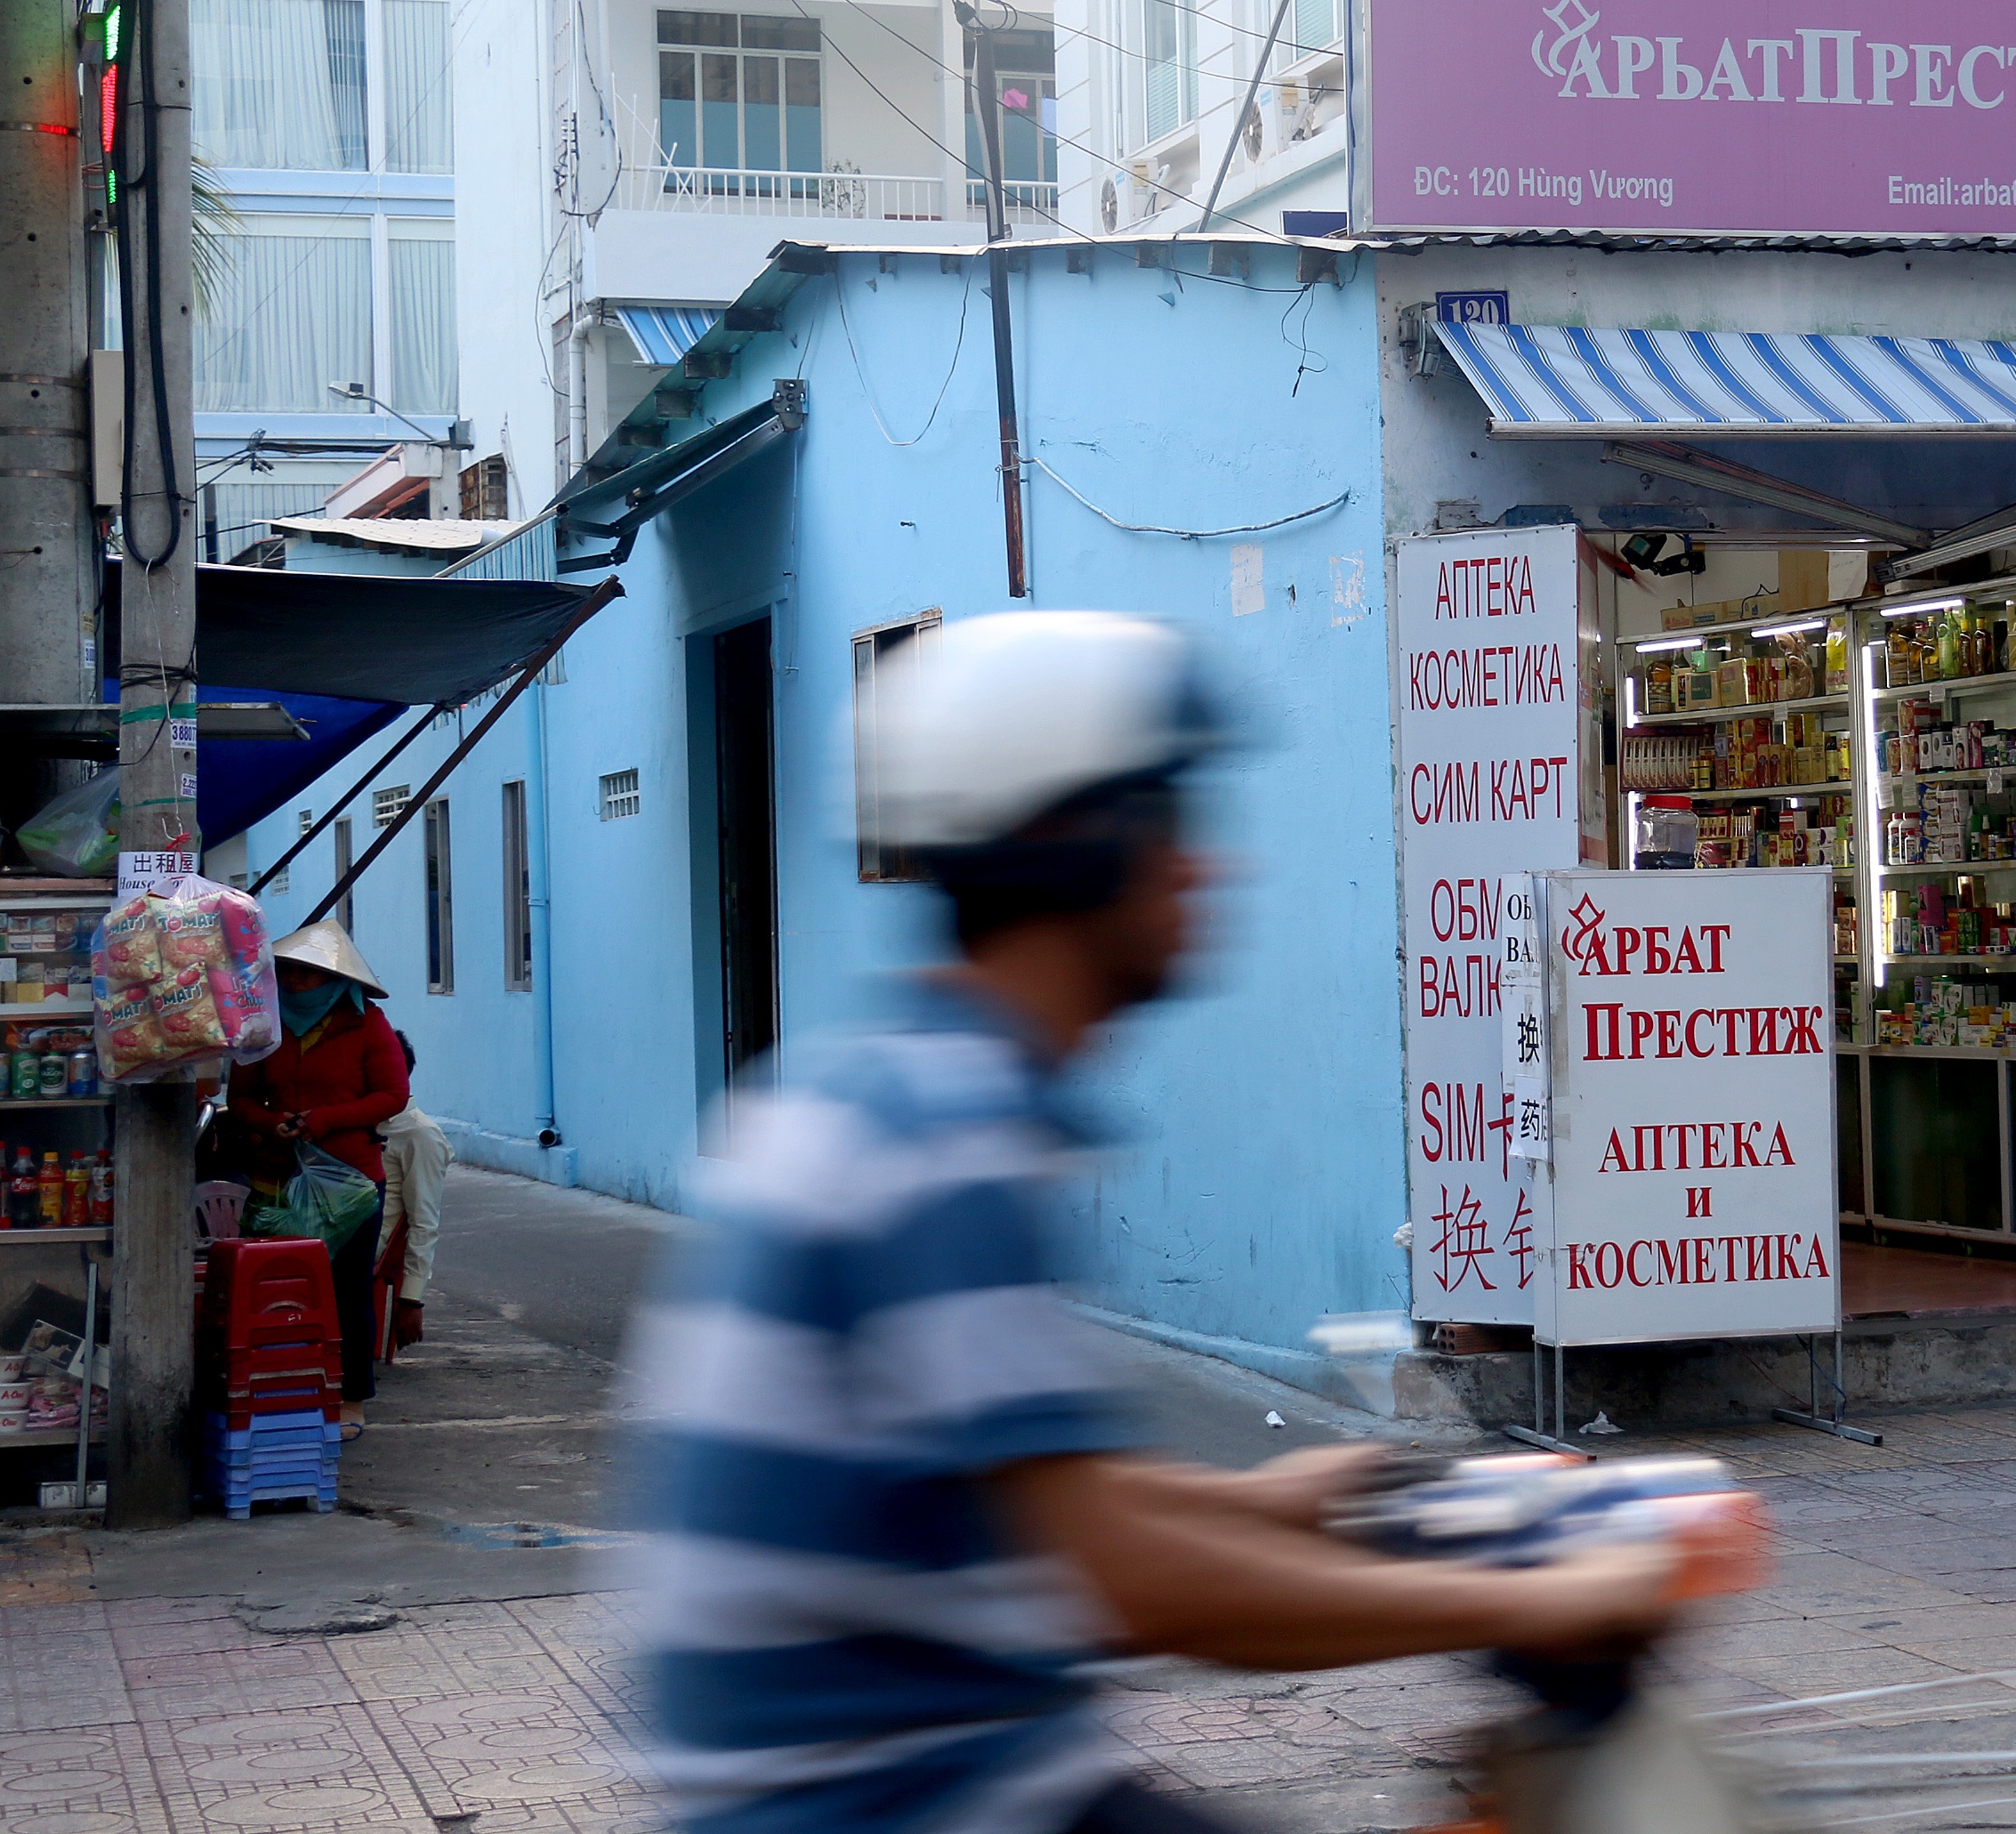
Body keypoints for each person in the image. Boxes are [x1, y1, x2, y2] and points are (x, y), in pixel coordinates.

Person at [625, 613, 1675, 1834]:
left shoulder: (891, 1092)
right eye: (1175, 823)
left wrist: (1293, 1498)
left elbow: (1040, 1497)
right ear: (1080, 840)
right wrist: (1541, 1605)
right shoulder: (945, 1137)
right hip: (905, 1798)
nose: (1207, 868)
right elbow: (1126, 1582)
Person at [230, 921, 412, 1426]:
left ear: (334, 980)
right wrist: (272, 1123)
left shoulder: (367, 1024)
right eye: (287, 972)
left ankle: (349, 1396)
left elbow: (393, 1096)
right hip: (275, 1179)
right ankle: (278, 1391)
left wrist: (325, 1121)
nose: (293, 982)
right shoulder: (264, 1024)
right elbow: (239, 1098)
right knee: (275, 1294)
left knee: (347, 1293)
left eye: (307, 974)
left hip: (350, 1186)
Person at [376, 1032, 451, 1353]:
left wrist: (412, 1300)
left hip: (360, 1246)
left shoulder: (419, 1135)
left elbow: (424, 1220)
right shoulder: (357, 1122)